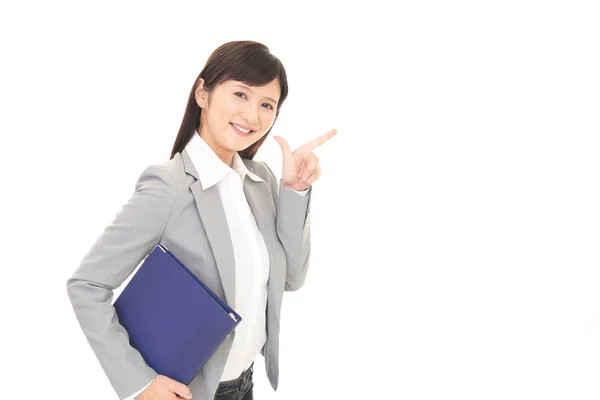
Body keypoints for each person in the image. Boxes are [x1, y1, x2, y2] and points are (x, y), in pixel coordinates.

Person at [66, 40, 337, 400]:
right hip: (190, 392)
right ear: (202, 93)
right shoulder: (168, 186)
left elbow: (291, 278)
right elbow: (86, 285)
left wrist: (294, 190)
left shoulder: (261, 182)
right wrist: (141, 383)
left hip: (245, 385)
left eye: (266, 105)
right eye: (241, 94)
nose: (253, 116)